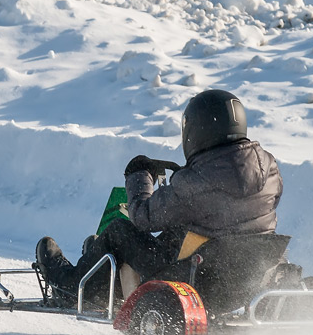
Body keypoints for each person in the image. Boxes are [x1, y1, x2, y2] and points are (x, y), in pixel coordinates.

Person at [35, 89, 283, 307]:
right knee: (182, 230)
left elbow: (143, 217)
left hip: (198, 281)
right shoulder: (269, 168)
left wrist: (139, 175)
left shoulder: (195, 181)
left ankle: (68, 288)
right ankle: (104, 272)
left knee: (119, 232)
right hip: (248, 278)